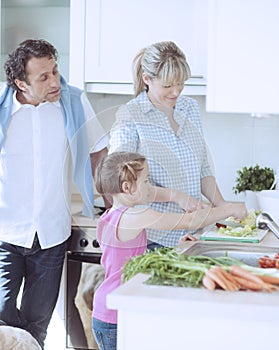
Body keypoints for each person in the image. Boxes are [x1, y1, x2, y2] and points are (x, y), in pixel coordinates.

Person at [0, 39, 109, 349]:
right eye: (43, 77)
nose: (54, 82)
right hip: (6, 232)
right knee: (2, 321)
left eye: (55, 71)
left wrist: (111, 205)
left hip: (52, 232)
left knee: (37, 325)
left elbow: (99, 152)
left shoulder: (73, 101)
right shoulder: (1, 105)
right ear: (21, 82)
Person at [92, 151, 247, 350]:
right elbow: (188, 221)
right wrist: (228, 209)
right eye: (146, 181)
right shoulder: (135, 215)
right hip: (115, 315)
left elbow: (128, 258)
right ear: (127, 187)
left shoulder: (110, 215)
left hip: (111, 307)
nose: (150, 188)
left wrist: (177, 249)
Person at [109, 40, 239, 248]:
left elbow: (203, 168)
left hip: (192, 237)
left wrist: (222, 206)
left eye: (180, 83)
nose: (176, 92)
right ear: (147, 79)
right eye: (167, 85)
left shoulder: (190, 108)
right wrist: (176, 196)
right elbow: (120, 181)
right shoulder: (130, 116)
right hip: (153, 239)